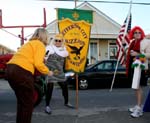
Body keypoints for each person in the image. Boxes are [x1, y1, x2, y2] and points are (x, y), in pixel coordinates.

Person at [5, 28, 53, 123]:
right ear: (45, 36)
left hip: (10, 69)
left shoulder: (28, 44)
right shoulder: (40, 45)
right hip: (22, 71)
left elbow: (29, 59)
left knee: (22, 102)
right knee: (28, 103)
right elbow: (38, 64)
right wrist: (48, 72)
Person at [44, 33, 74, 114]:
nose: (57, 42)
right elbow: (44, 58)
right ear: (54, 41)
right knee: (49, 89)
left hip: (60, 72)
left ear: (62, 41)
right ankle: (47, 106)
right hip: (51, 72)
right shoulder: (49, 48)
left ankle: (66, 102)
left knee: (65, 87)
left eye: (59, 41)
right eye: (56, 40)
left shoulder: (64, 49)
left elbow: (70, 56)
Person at [126, 26, 147, 118]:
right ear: (133, 34)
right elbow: (128, 53)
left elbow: (148, 55)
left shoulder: (145, 42)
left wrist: (138, 54)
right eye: (135, 32)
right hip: (133, 67)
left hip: (140, 67)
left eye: (139, 32)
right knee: (135, 87)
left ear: (141, 33)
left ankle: (139, 109)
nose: (137, 34)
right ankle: (138, 106)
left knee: (138, 88)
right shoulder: (133, 43)